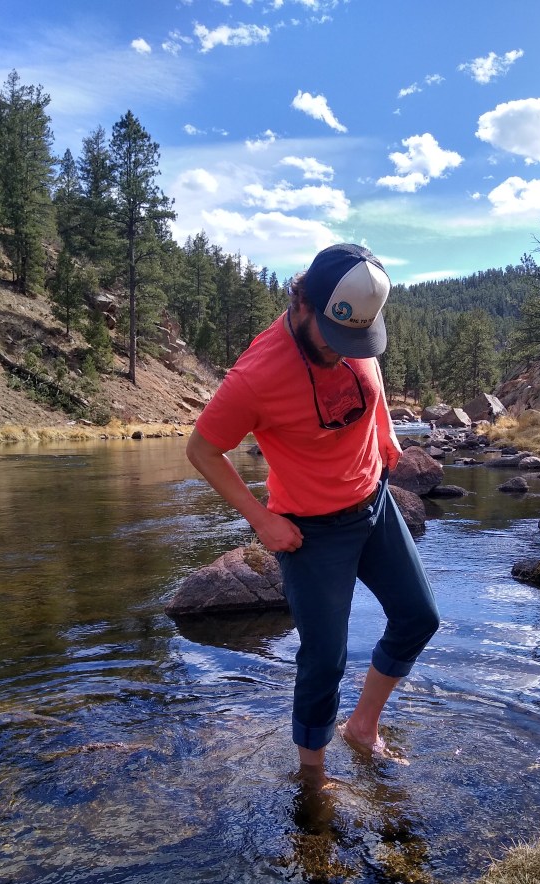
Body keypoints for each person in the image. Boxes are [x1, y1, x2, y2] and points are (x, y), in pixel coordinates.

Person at [186, 243, 439, 775]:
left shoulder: (354, 333)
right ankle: (313, 777)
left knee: (419, 618)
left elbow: (370, 377)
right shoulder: (256, 376)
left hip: (374, 503)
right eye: (333, 337)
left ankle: (363, 727)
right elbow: (203, 450)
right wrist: (261, 520)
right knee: (324, 660)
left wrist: (385, 431)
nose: (344, 351)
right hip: (311, 530)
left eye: (356, 340)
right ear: (302, 302)